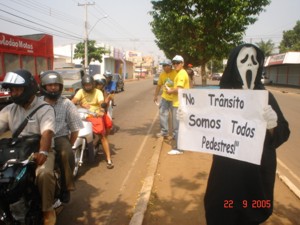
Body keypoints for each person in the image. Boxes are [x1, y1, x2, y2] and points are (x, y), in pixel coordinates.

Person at [204, 43, 290, 225]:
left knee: (251, 214)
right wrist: (189, 118)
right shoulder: (222, 97)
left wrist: (272, 125)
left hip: (256, 174)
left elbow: (283, 132)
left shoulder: (266, 97)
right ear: (234, 65)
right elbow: (207, 126)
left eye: (254, 61)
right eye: (244, 60)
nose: (250, 65)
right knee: (222, 210)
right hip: (227, 172)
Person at [0, 69, 57, 225]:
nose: (14, 93)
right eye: (12, 90)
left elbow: (47, 132)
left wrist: (43, 151)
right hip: (18, 153)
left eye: (17, 89)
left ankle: (47, 211)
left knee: (44, 174)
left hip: (39, 151)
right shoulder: (9, 109)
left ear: (29, 88)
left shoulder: (45, 108)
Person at [40, 70, 84, 203]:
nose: (53, 87)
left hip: (59, 137)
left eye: (56, 85)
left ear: (60, 86)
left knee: (67, 154)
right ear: (44, 86)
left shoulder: (67, 103)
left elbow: (75, 129)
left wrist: (69, 144)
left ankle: (66, 187)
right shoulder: (37, 102)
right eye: (50, 84)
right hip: (40, 137)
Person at [71, 75, 114, 169]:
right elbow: (74, 100)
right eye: (86, 85)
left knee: (102, 136)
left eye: (89, 85)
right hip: (83, 115)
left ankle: (109, 159)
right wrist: (70, 104)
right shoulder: (80, 92)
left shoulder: (98, 92)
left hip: (96, 115)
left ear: (93, 84)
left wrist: (101, 110)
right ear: (83, 85)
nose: (88, 87)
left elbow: (101, 102)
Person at [166, 55, 190, 155]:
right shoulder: (180, 73)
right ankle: (180, 146)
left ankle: (178, 148)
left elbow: (179, 89)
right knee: (179, 126)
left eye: (178, 62)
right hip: (180, 103)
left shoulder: (181, 74)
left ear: (182, 63)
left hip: (179, 104)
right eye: (174, 63)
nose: (175, 64)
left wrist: (170, 91)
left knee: (177, 127)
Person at [153, 59, 177, 138]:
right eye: (163, 65)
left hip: (174, 99)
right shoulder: (162, 74)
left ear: (170, 66)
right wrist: (155, 95)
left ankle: (175, 134)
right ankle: (164, 131)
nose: (163, 67)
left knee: (175, 117)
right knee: (162, 114)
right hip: (165, 98)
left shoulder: (176, 73)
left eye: (165, 65)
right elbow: (159, 85)